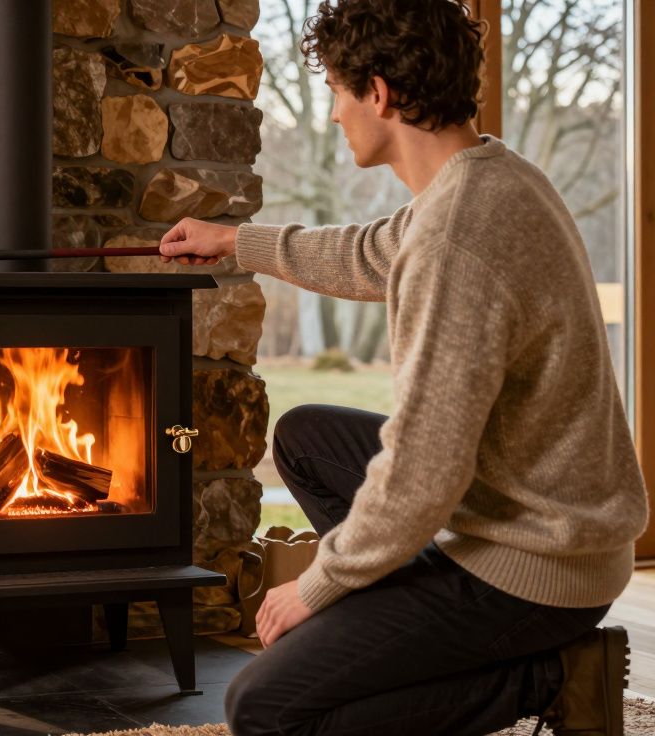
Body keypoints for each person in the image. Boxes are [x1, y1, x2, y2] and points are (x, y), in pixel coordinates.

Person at [158, 1, 649, 734]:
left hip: (540, 566)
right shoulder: (490, 176)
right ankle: (409, 613)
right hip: (545, 517)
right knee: (305, 438)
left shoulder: (456, 240)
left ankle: (548, 676)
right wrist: (236, 241)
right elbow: (369, 251)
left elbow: (422, 473)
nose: (331, 114)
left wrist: (319, 588)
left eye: (335, 91)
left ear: (379, 94)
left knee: (263, 707)